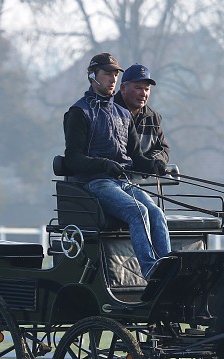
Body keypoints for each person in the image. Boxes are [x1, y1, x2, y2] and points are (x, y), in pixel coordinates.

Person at [63, 52, 170, 278]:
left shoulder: (122, 113)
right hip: (95, 184)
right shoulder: (79, 113)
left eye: (115, 74)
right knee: (138, 211)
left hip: (122, 182)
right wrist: (103, 165)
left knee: (156, 212)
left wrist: (154, 165)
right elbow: (72, 160)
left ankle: (169, 269)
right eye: (107, 74)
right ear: (92, 76)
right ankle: (152, 271)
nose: (113, 79)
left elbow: (136, 156)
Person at [114, 63, 170, 167]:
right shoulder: (108, 112)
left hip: (144, 181)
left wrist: (151, 162)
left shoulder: (153, 118)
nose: (143, 93)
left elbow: (163, 149)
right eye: (138, 88)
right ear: (123, 88)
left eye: (147, 89)